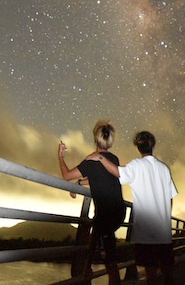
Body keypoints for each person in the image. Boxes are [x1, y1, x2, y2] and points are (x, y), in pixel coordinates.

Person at [88, 130, 177, 285]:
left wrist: (100, 157)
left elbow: (117, 173)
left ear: (138, 147)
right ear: (152, 146)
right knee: (167, 274)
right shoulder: (164, 168)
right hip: (164, 231)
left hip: (146, 232)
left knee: (151, 275)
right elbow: (170, 198)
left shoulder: (136, 165)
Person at [58, 120, 125, 285]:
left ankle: (88, 273)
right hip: (119, 212)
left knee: (108, 260)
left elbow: (66, 175)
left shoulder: (91, 161)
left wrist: (60, 156)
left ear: (95, 140)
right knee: (94, 246)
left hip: (106, 215)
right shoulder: (113, 159)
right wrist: (80, 183)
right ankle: (88, 270)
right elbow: (99, 177)